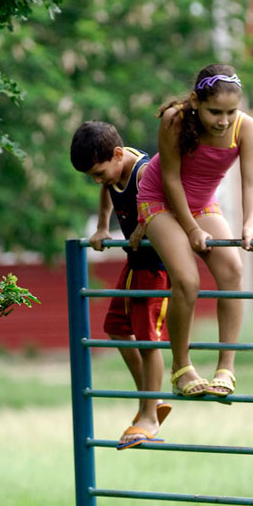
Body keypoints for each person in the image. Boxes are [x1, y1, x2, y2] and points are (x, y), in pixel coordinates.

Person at [134, 63, 253, 398]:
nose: (223, 120)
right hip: (160, 200)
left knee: (233, 269)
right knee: (187, 280)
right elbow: (170, 180)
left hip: (203, 203)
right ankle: (181, 368)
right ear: (195, 101)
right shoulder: (174, 120)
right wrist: (191, 229)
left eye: (231, 111)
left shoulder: (244, 128)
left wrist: (249, 225)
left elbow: (252, 182)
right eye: (214, 111)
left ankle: (226, 368)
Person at [70, 121, 171, 449]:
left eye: (99, 172)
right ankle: (149, 397)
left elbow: (170, 201)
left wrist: (145, 221)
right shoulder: (114, 172)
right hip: (134, 262)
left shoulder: (143, 172)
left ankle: (149, 414)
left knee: (148, 340)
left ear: (117, 154)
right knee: (115, 325)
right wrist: (102, 226)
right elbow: (107, 191)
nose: (99, 181)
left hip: (155, 266)